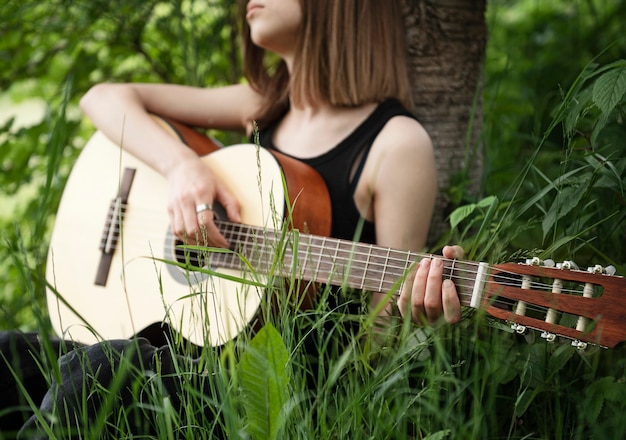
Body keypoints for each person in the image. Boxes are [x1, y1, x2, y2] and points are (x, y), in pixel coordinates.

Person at [1, 0, 463, 436]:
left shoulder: (396, 143)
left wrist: (413, 312)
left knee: (102, 372)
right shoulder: (262, 105)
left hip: (265, 391)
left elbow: (374, 351)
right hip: (171, 351)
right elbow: (104, 98)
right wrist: (181, 167)